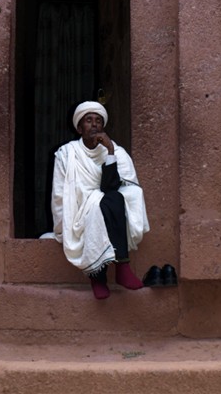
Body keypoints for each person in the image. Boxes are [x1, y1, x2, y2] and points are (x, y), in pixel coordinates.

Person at [50, 101, 150, 299]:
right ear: (79, 128)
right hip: (79, 209)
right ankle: (97, 275)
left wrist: (110, 152)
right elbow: (60, 194)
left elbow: (113, 187)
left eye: (98, 121)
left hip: (109, 203)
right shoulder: (67, 154)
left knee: (115, 198)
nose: (94, 125)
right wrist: (62, 225)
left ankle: (122, 267)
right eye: (88, 120)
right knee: (99, 204)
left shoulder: (117, 152)